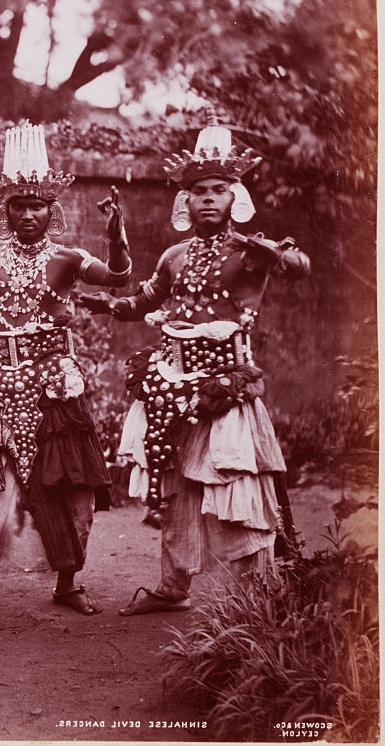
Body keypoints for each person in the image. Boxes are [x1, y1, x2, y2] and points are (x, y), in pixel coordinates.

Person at [79, 117, 310, 615]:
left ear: (235, 198)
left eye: (219, 191)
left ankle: (260, 600)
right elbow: (143, 300)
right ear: (185, 201)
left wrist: (278, 254)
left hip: (226, 385)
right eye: (199, 191)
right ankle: (172, 586)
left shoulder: (251, 253)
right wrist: (101, 303)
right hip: (172, 381)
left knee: (233, 485)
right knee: (175, 482)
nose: (208, 199)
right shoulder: (174, 255)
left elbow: (299, 266)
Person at [0, 124, 132, 614]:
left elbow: (119, 278)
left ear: (51, 210)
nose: (28, 214)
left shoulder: (68, 258)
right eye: (19, 205)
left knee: (68, 484)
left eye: (37, 205)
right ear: (6, 210)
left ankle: (67, 583)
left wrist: (116, 237)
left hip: (50, 386)